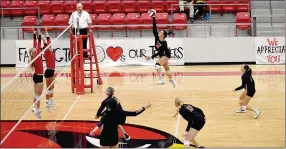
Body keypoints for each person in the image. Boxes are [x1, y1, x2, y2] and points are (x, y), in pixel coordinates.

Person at [145, 10, 176, 88]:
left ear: (163, 35)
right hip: (162, 55)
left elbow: (160, 52)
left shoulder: (164, 42)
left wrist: (151, 57)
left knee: (157, 65)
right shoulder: (157, 37)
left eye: (161, 32)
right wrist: (154, 17)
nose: (159, 32)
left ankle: (161, 79)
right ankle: (172, 80)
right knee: (167, 69)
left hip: (166, 55)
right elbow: (154, 28)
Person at [29, 29, 44, 119]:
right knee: (38, 96)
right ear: (33, 52)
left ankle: (35, 108)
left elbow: (35, 45)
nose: (36, 49)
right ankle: (37, 111)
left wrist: (35, 34)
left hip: (36, 76)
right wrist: (38, 35)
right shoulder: (36, 56)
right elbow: (37, 45)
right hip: (39, 77)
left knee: (36, 94)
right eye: (35, 50)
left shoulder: (33, 57)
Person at [42, 26, 56, 112]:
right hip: (48, 72)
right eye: (48, 45)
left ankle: (51, 101)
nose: (49, 45)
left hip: (52, 71)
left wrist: (46, 31)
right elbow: (45, 42)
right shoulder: (47, 52)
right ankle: (47, 103)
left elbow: (48, 39)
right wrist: (42, 36)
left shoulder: (51, 51)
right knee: (48, 89)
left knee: (52, 88)